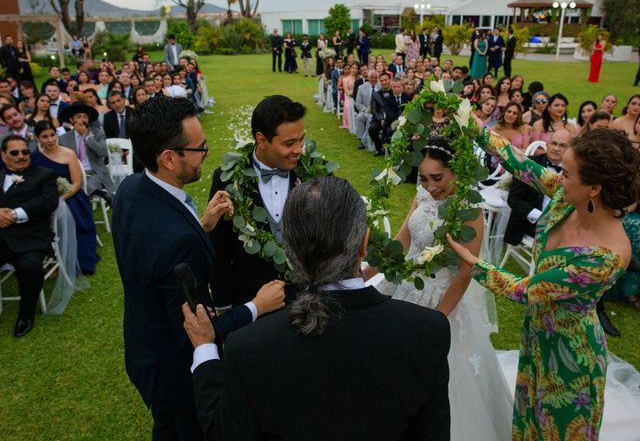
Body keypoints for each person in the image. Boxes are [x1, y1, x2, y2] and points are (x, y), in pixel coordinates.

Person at [184, 176, 452, 441]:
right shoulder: (428, 331)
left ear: (290, 253)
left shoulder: (248, 349)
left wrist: (205, 350)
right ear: (363, 244)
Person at [448, 127, 640, 440]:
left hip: (570, 356)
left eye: (566, 173)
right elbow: (521, 164)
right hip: (538, 333)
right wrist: (470, 122)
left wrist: (470, 262)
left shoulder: (606, 257)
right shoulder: (567, 196)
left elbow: (524, 290)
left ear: (594, 187)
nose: (557, 177)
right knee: (529, 421)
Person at [112, 96, 285, 441]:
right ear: (169, 158)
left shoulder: (132, 189)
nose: (206, 155)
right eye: (200, 149)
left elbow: (153, 254)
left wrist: (201, 224)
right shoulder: (177, 242)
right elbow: (198, 331)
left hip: (142, 344)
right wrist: (257, 306)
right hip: (173, 368)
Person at [363, 137, 512, 441]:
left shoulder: (469, 209)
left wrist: (438, 318)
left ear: (455, 172)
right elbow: (402, 241)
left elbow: (465, 270)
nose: (430, 186)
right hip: (408, 290)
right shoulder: (422, 195)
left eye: (437, 178)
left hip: (445, 302)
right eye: (423, 178)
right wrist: (364, 273)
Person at [208, 95, 305, 310]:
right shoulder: (228, 179)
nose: (299, 149)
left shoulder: (309, 175)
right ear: (261, 140)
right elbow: (219, 248)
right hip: (250, 304)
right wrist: (224, 307)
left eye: (301, 140)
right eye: (290, 143)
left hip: (305, 302)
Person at [0, 135, 59, 337]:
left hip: (30, 238)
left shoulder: (45, 175)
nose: (21, 156)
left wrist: (14, 214)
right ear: (3, 155)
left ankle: (26, 314)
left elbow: (49, 202)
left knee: (30, 267)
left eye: (25, 152)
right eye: (14, 153)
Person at [31, 121, 98, 274]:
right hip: (46, 198)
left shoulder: (68, 153)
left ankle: (80, 259)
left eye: (52, 135)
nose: (50, 140)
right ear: (37, 138)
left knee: (73, 216)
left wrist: (62, 198)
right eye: (44, 137)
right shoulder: (35, 157)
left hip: (71, 196)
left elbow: (76, 183)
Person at [504, 129, 571, 247]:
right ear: (547, 144)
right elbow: (514, 199)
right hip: (531, 223)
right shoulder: (528, 164)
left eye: (562, 145)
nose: (556, 148)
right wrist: (541, 218)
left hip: (563, 224)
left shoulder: (573, 170)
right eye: (554, 143)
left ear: (570, 150)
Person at [58, 102, 115, 205]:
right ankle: (101, 194)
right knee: (76, 184)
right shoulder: (63, 138)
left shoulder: (98, 133)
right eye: (78, 117)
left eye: (85, 117)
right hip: (73, 174)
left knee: (80, 187)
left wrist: (86, 137)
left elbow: (103, 152)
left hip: (94, 173)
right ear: (71, 120)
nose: (82, 120)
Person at [369, 75, 407, 156]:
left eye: (385, 80)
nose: (384, 82)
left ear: (389, 80)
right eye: (382, 81)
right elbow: (374, 110)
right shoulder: (376, 94)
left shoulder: (398, 93)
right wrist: (381, 119)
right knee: (372, 129)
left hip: (397, 118)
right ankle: (380, 149)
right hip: (384, 118)